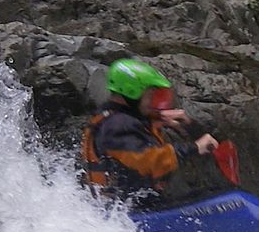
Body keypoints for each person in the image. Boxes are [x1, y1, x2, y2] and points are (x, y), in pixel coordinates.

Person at [79, 58, 222, 209]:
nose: (153, 102)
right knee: (227, 200)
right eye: (149, 96)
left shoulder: (113, 118)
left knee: (212, 195)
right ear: (131, 92)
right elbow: (148, 162)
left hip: (129, 209)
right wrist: (195, 147)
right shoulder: (118, 125)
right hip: (132, 214)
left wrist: (179, 124)